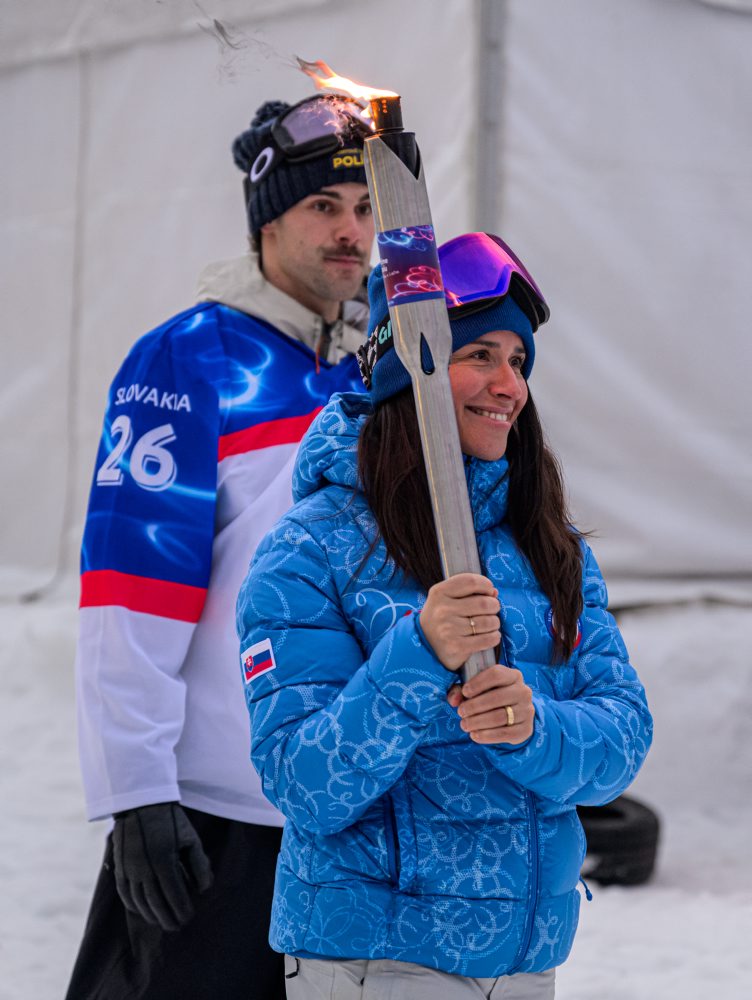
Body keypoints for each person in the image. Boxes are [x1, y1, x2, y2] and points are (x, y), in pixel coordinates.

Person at [236, 232, 653, 999]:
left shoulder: (546, 540)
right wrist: (417, 653)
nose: (509, 385)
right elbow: (304, 783)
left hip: (526, 960)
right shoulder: (309, 549)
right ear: (413, 371)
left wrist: (538, 730)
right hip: (376, 959)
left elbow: (623, 736)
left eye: (519, 361)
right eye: (480, 355)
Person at [66, 94, 375, 1000]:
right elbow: (131, 588)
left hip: (340, 806)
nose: (350, 232)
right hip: (214, 815)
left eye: (364, 209)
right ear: (267, 218)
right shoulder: (189, 361)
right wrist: (136, 788)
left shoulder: (378, 371)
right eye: (324, 206)